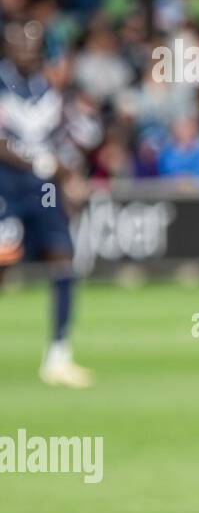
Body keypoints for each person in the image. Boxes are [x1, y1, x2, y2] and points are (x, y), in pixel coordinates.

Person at [0, 28, 99, 387]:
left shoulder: (48, 90)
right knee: (4, 262)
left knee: (62, 261)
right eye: (18, 44)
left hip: (43, 190)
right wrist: (39, 161)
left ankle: (59, 355)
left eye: (32, 45)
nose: (26, 51)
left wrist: (67, 174)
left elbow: (61, 140)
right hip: (6, 187)